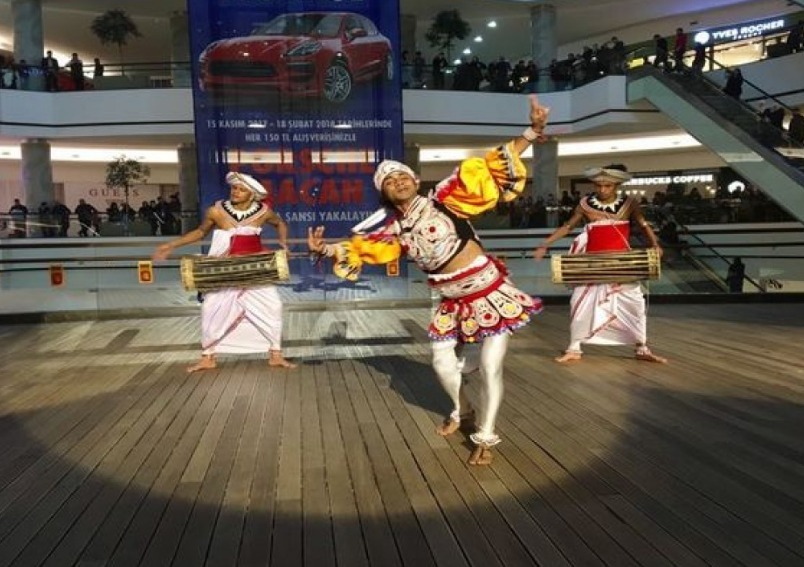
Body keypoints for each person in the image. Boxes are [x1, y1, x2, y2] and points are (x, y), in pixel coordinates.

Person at [307, 94, 549, 466]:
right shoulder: (392, 229)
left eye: (403, 176)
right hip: (450, 301)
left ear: (416, 180)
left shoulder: (447, 198)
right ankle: (462, 410)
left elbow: (490, 167)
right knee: (441, 364)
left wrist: (531, 132)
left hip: (489, 292)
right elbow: (360, 249)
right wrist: (324, 249)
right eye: (390, 181)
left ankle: (485, 435)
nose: (398, 181)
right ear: (384, 192)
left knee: (490, 367)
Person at [153, 171, 296, 372]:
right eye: (234, 188)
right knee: (211, 308)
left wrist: (283, 243)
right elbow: (200, 232)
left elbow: (280, 223)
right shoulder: (216, 211)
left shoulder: (263, 212)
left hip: (254, 269)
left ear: (252, 195)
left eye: (241, 189)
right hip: (224, 269)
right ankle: (208, 357)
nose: (235, 192)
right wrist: (171, 245)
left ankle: (275, 354)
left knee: (272, 306)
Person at [533, 164, 667, 364]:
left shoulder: (629, 203)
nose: (602, 189)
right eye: (598, 185)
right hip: (592, 264)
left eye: (607, 186)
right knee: (580, 303)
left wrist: (655, 244)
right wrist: (545, 244)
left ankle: (642, 347)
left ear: (616, 186)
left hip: (622, 263)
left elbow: (643, 225)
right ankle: (574, 348)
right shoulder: (585, 204)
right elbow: (568, 226)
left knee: (634, 304)